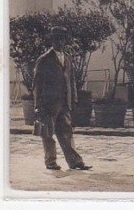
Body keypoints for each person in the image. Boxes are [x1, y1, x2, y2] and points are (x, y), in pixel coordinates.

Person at [32, 26, 92, 171]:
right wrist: (37, 105)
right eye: (56, 39)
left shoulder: (68, 59)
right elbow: (37, 84)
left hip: (64, 103)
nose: (59, 42)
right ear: (52, 40)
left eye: (62, 39)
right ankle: (51, 162)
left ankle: (75, 162)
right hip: (48, 104)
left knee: (67, 133)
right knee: (48, 134)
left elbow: (72, 81)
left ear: (65, 41)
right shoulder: (44, 59)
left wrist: (74, 100)